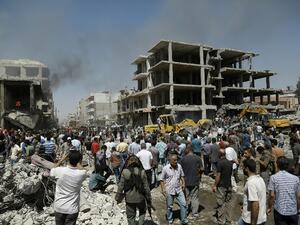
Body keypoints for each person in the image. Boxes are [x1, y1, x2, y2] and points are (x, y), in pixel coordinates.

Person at [50, 150, 88, 225]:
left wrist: (62, 159)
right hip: (72, 209)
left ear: (68, 159)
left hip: (59, 207)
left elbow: (52, 170)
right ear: (80, 161)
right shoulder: (81, 173)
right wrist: (79, 163)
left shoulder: (59, 171)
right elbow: (85, 170)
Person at [115, 155, 151, 225]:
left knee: (130, 216)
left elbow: (120, 186)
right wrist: (149, 198)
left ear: (128, 162)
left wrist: (117, 198)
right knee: (142, 212)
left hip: (129, 198)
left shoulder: (125, 171)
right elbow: (146, 187)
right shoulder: (142, 172)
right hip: (140, 198)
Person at [267, 156, 300, 225]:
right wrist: (298, 208)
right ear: (287, 166)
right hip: (293, 212)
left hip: (280, 211)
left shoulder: (273, 178)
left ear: (278, 165)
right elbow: (298, 196)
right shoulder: (296, 178)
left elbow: (272, 196)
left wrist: (269, 207)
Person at [160, 153, 188, 225]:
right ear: (170, 161)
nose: (176, 162)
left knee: (184, 204)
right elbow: (162, 179)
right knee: (169, 206)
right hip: (169, 190)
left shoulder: (179, 166)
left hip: (178, 189)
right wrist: (163, 189)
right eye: (174, 160)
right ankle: (170, 219)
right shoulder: (165, 168)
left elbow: (182, 176)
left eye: (176, 160)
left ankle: (184, 220)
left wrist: (183, 183)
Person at [237, 159, 267, 225]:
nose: (242, 169)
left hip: (250, 220)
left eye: (243, 167)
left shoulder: (251, 183)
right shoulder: (260, 179)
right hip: (261, 217)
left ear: (247, 168)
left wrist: (253, 223)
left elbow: (255, 204)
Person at [180, 145, 204, 218]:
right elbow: (202, 169)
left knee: (185, 197)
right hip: (195, 180)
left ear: (187, 151)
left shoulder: (183, 159)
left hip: (185, 181)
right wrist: (199, 174)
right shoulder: (198, 158)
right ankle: (195, 213)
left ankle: (185, 212)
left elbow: (180, 171)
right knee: (195, 197)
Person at [212, 148, 233, 225]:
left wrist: (214, 185)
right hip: (229, 185)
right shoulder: (230, 163)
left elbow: (218, 176)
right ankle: (228, 219)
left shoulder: (220, 163)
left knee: (221, 203)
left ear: (219, 155)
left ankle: (221, 221)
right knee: (228, 203)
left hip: (221, 185)